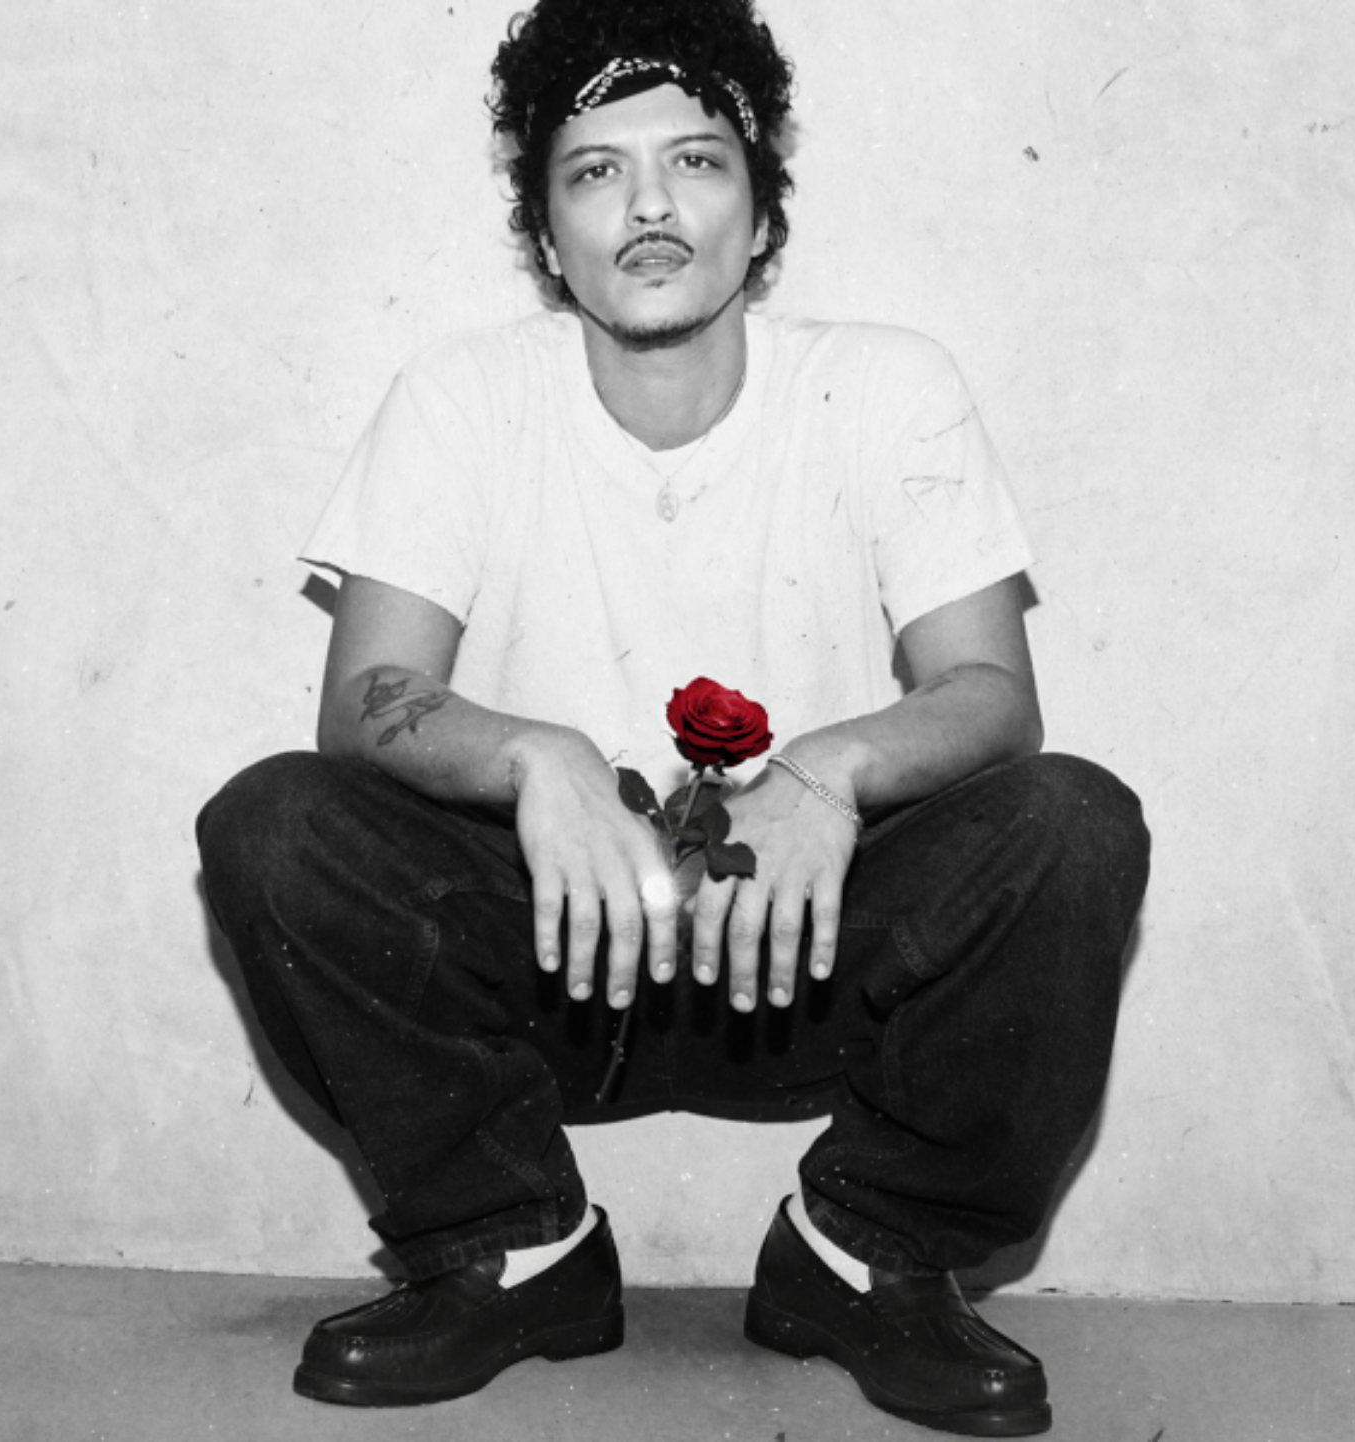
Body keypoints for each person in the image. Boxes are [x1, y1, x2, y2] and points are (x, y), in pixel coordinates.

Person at [196, 0, 1150, 1433]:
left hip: (807, 953)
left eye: (694, 161)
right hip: (552, 960)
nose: (648, 207)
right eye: (595, 172)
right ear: (545, 228)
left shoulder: (885, 383)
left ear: (760, 208)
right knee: (273, 822)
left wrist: (827, 771)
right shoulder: (461, 396)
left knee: (1073, 823)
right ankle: (515, 1254)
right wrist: (536, 756)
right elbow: (365, 699)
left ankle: (866, 1257)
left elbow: (993, 696)